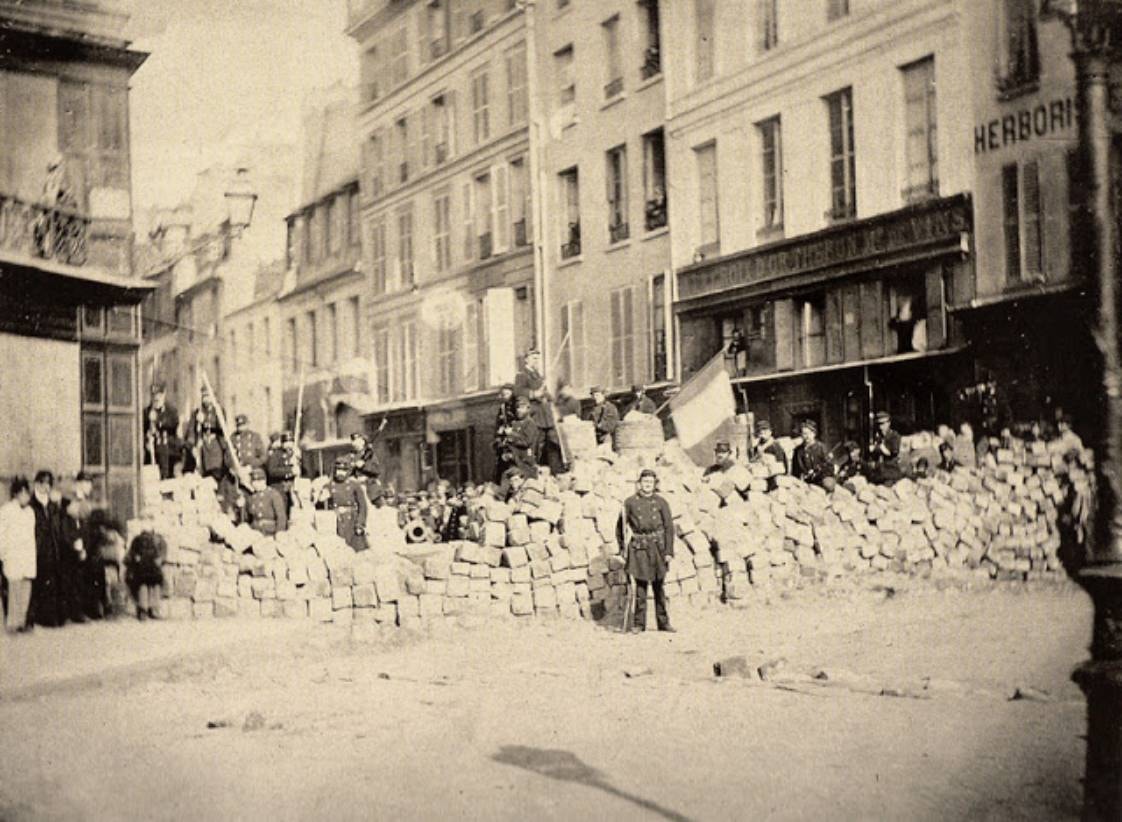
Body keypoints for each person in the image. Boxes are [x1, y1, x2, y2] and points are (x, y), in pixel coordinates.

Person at [617, 468, 675, 633]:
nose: (647, 485)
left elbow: (669, 528)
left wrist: (669, 551)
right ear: (639, 483)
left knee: (659, 586)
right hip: (639, 547)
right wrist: (622, 548)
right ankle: (638, 624)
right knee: (641, 587)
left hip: (658, 547)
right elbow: (620, 528)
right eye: (645, 482)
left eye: (650, 482)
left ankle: (663, 623)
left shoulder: (662, 502)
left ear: (655, 484)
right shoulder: (630, 503)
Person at [514, 348, 563, 475]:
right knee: (537, 445)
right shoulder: (521, 375)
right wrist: (534, 394)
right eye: (534, 358)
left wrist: (550, 398)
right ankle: (534, 470)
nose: (536, 361)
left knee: (553, 443)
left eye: (537, 358)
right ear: (526, 359)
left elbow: (545, 393)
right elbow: (518, 392)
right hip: (536, 415)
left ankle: (557, 471)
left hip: (546, 416)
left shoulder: (538, 375)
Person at [189, 387, 236, 511]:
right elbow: (191, 432)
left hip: (215, 444)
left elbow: (223, 429)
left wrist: (204, 421)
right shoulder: (197, 412)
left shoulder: (218, 411)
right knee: (202, 475)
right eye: (204, 397)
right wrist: (193, 445)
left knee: (216, 473)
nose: (206, 399)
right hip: (202, 444)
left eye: (208, 396)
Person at [0, 477, 36, 633]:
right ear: (16, 494)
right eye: (22, 493)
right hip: (13, 556)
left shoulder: (30, 512)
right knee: (14, 590)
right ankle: (12, 623)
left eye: (27, 493)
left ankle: (22, 621)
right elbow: (1, 534)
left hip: (27, 556)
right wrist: (3, 555)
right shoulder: (6, 510)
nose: (25, 496)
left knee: (25, 589)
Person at [28, 470, 63, 627]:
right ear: (37, 484)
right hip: (38, 550)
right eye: (43, 483)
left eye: (49, 484)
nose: (47, 487)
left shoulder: (53, 506)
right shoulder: (31, 505)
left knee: (52, 583)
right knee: (40, 583)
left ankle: (52, 617)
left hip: (53, 548)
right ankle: (40, 617)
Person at [323, 457, 368, 552]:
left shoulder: (354, 485)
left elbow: (363, 506)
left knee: (357, 551)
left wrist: (360, 523)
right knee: (338, 551)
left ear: (348, 471)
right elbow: (321, 504)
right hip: (336, 521)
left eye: (343, 470)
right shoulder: (329, 485)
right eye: (338, 470)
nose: (340, 473)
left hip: (352, 520)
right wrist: (321, 496)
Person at [144, 382, 181, 479]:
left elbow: (173, 423)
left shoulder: (171, 411)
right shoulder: (146, 412)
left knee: (169, 479)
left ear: (164, 395)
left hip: (169, 451)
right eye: (154, 396)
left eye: (159, 395)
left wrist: (157, 422)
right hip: (152, 452)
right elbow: (142, 430)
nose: (156, 398)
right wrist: (147, 438)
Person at [125, 531, 165, 621]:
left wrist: (160, 559)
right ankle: (144, 610)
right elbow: (132, 553)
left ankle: (154, 609)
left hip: (152, 566)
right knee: (143, 584)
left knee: (155, 585)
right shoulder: (137, 540)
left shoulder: (156, 539)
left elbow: (162, 550)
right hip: (142, 567)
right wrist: (136, 558)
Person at [241, 467, 288, 536]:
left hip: (270, 531)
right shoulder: (251, 497)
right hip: (255, 531)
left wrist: (280, 533)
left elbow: (281, 516)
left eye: (259, 481)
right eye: (254, 481)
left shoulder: (273, 494)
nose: (256, 484)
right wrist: (242, 507)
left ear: (265, 481)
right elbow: (246, 518)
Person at [505, 395, 542, 481]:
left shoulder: (530, 423)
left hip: (526, 462)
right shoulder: (515, 424)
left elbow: (526, 442)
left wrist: (511, 435)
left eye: (522, 407)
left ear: (528, 408)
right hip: (515, 461)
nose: (518, 410)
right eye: (517, 407)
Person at [266, 431, 300, 514]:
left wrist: (298, 462)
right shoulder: (276, 455)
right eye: (286, 442)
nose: (288, 444)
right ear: (282, 443)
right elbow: (272, 471)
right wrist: (290, 471)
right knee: (281, 511)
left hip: (291, 488)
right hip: (279, 487)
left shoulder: (294, 454)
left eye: (290, 442)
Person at [793, 421, 834, 487]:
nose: (806, 436)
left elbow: (830, 467)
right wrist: (802, 475)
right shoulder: (798, 450)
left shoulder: (821, 447)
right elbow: (795, 470)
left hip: (821, 479)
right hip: (806, 480)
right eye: (804, 434)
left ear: (814, 434)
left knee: (828, 484)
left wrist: (816, 473)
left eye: (809, 433)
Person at [867, 411, 902, 485]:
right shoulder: (878, 437)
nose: (880, 427)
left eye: (883, 424)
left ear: (889, 423)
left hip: (890, 472)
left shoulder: (894, 436)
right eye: (879, 424)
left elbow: (891, 452)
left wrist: (879, 447)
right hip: (879, 473)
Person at [350, 431, 384, 505]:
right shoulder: (351, 456)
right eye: (352, 441)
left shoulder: (370, 454)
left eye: (356, 440)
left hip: (370, 487)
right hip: (356, 487)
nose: (353, 443)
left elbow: (377, 470)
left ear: (362, 441)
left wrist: (363, 466)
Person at [230, 413, 267, 480]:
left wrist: (251, 467)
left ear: (247, 424)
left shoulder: (255, 437)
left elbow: (263, 456)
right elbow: (227, 456)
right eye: (239, 425)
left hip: (253, 471)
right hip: (237, 472)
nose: (241, 427)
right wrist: (233, 468)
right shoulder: (232, 438)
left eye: (243, 425)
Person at [493, 384, 517, 484]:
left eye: (507, 393)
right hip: (505, 440)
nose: (505, 396)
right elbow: (499, 424)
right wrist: (499, 434)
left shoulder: (516, 406)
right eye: (503, 394)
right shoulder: (502, 408)